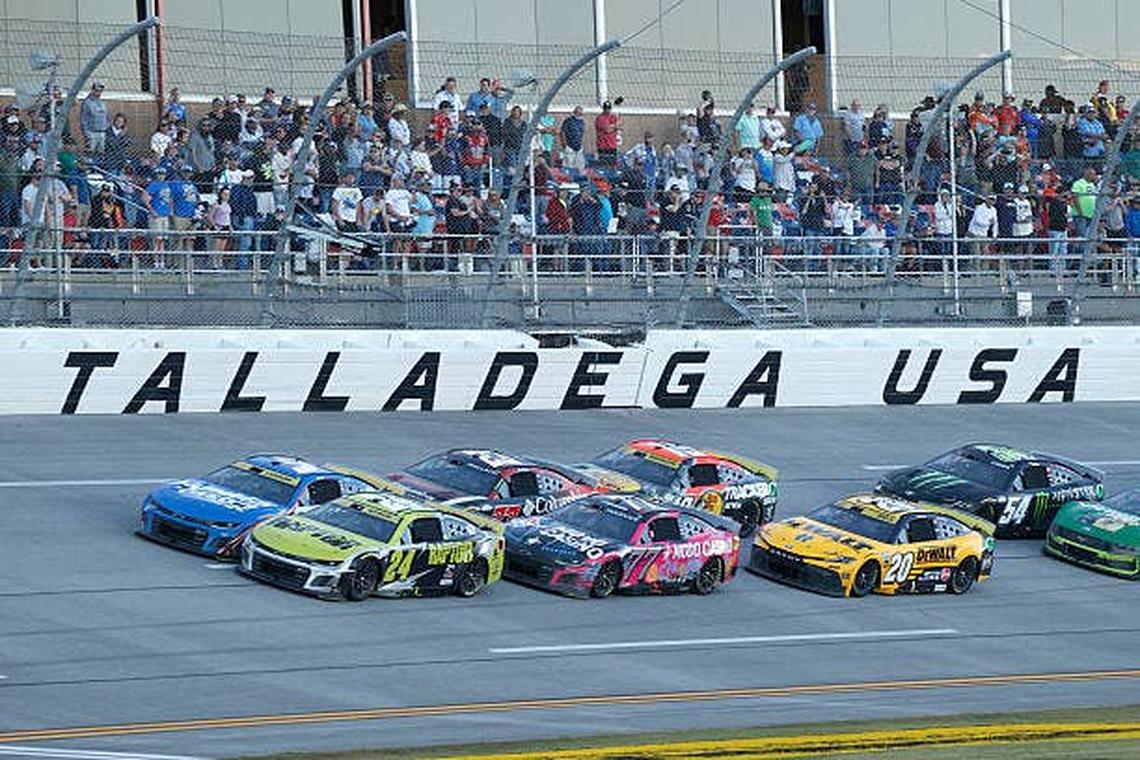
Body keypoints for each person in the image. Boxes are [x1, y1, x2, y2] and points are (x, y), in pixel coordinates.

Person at [144, 166, 173, 264]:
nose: (161, 176)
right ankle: (156, 261)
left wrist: (170, 209)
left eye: (163, 174)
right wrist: (152, 210)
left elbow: (170, 199)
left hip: (165, 214)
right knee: (157, 239)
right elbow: (145, 197)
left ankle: (162, 260)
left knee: (163, 239)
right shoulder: (154, 185)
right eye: (159, 174)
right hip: (157, 215)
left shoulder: (167, 185)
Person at [79, 81, 108, 160]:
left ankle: (98, 169)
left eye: (100, 91)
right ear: (92, 90)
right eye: (97, 90)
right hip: (91, 132)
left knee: (101, 153)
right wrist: (86, 133)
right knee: (90, 153)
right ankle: (89, 168)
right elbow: (83, 119)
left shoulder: (102, 103)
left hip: (102, 132)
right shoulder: (87, 103)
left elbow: (106, 117)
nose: (98, 93)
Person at [207, 186, 233, 268]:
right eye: (224, 194)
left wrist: (230, 227)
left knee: (222, 248)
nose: (226, 196)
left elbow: (228, 217)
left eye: (228, 194)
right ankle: (215, 264)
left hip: (226, 226)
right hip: (219, 226)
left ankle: (220, 262)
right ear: (220, 194)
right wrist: (214, 226)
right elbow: (210, 216)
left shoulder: (228, 204)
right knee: (216, 247)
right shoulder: (216, 204)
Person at [595, 100, 621, 166]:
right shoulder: (599, 118)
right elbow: (607, 130)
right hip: (602, 145)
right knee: (603, 164)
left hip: (612, 145)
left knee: (613, 164)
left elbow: (619, 126)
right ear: (603, 108)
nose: (607, 110)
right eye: (606, 108)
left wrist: (612, 126)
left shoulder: (613, 116)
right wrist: (613, 126)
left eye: (609, 108)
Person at [560, 106, 586, 171]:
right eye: (577, 113)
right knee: (569, 165)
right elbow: (562, 132)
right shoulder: (568, 121)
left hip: (579, 146)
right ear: (574, 112)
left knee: (580, 165)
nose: (579, 115)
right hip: (569, 146)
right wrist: (565, 145)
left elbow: (581, 134)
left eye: (580, 114)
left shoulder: (581, 122)